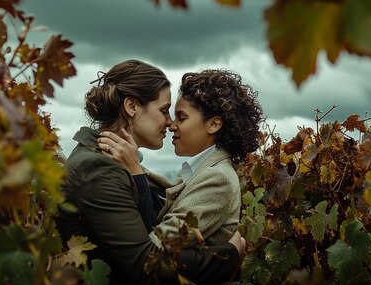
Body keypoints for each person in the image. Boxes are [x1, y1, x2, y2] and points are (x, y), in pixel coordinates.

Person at [56, 60, 245, 285]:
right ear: (132, 106)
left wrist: (137, 172)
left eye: (178, 116)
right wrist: (228, 256)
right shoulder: (97, 168)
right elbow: (145, 262)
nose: (169, 122)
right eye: (165, 111)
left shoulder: (111, 163)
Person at [102, 69, 263, 246]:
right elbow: (168, 192)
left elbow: (160, 246)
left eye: (181, 117)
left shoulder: (218, 179)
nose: (171, 125)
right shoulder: (204, 171)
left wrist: (135, 171)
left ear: (213, 125)